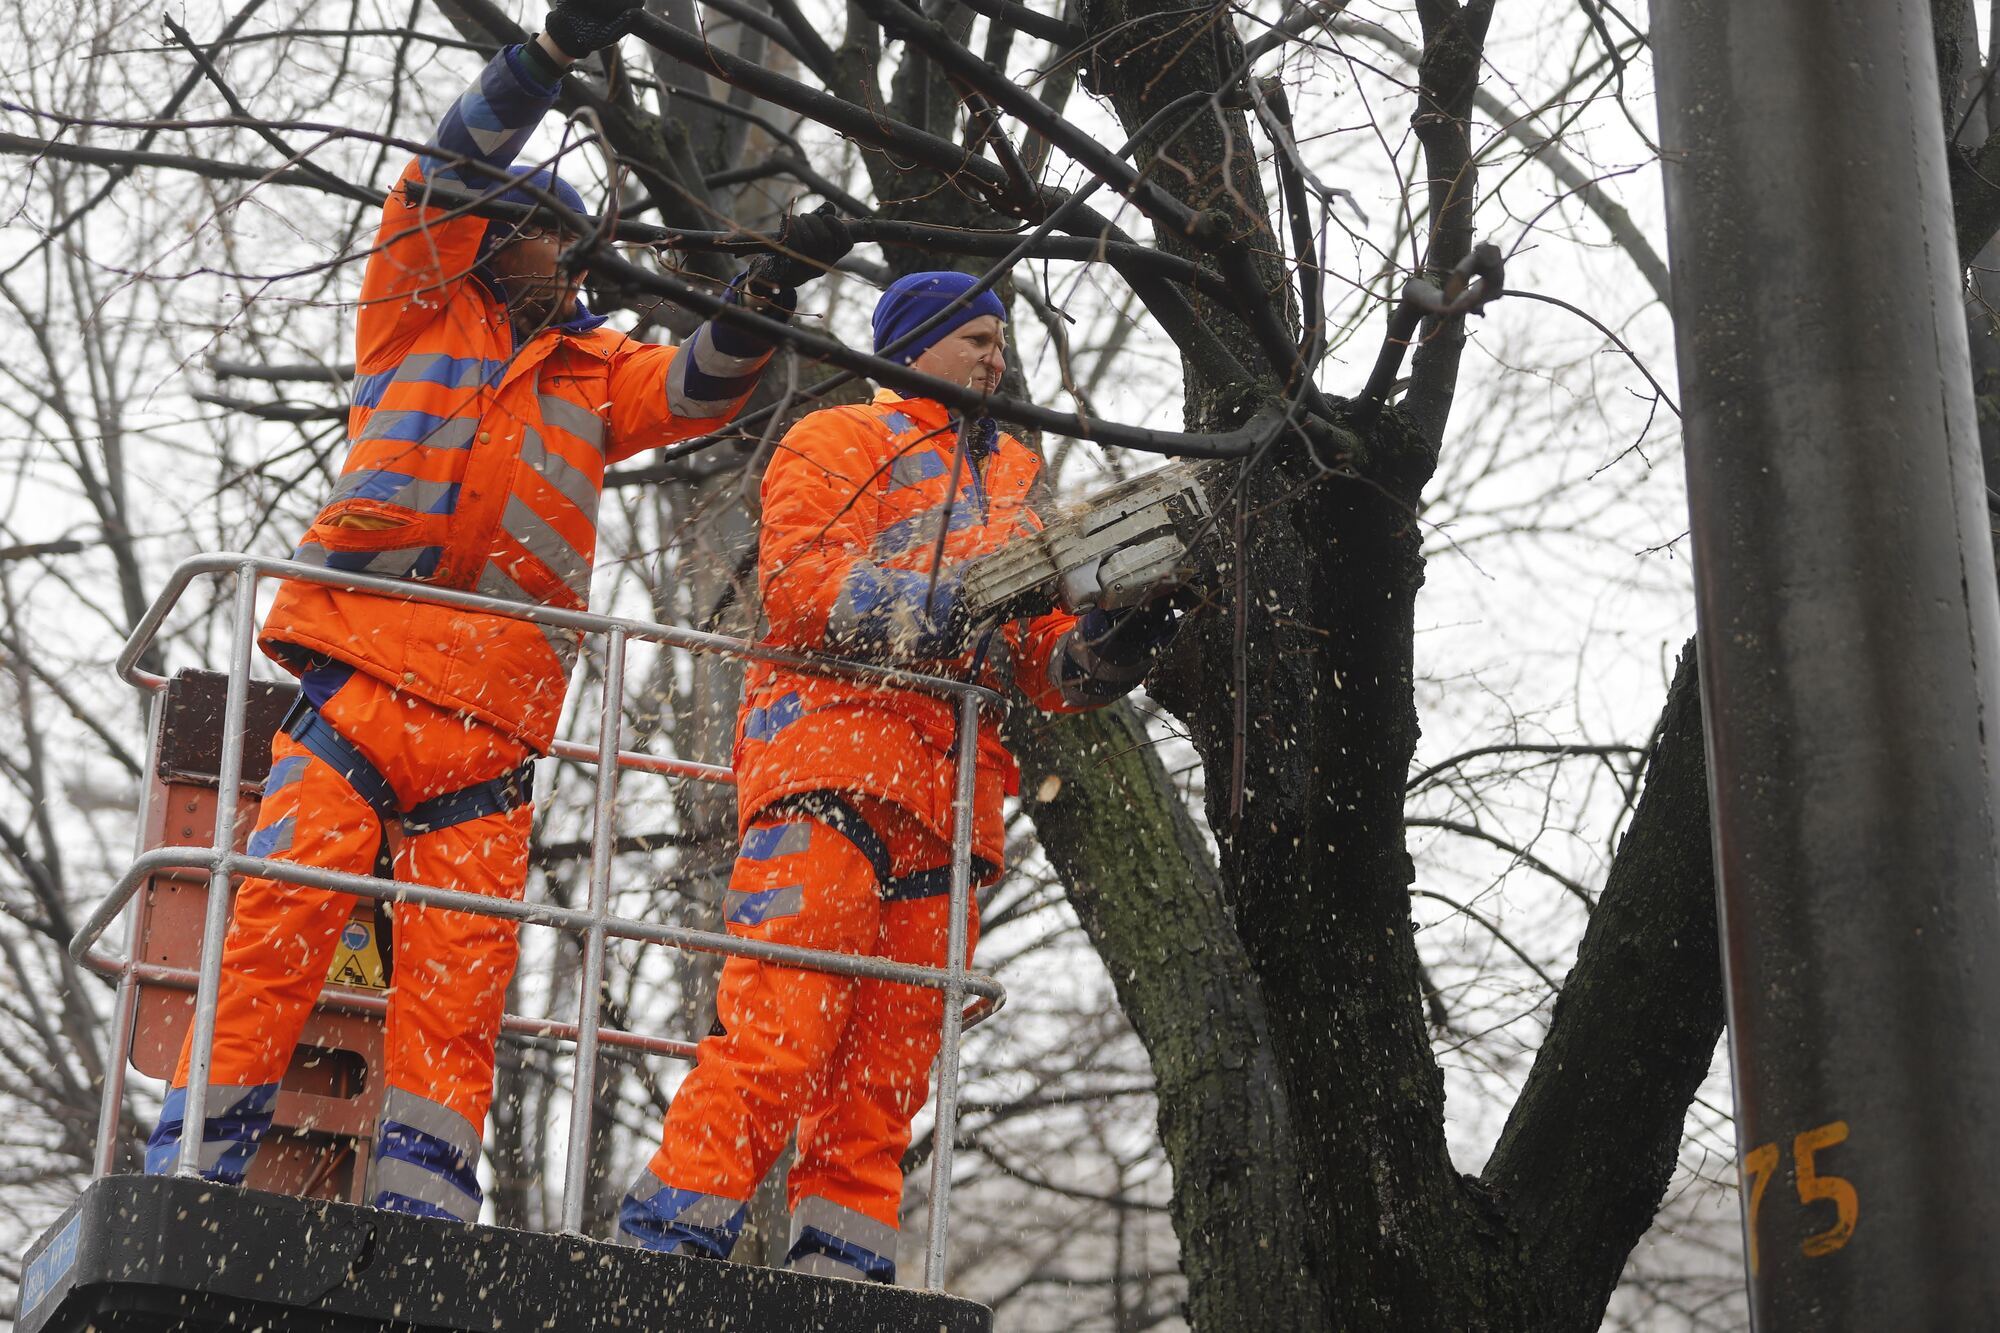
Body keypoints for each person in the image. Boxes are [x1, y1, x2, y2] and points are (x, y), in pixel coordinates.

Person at [145, 0, 852, 1224]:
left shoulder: (595, 373)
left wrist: (769, 288)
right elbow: (448, 164)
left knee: (461, 978)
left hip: (492, 706)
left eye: (565, 241)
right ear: (487, 243)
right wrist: (550, 58)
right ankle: (191, 1167)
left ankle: (425, 1213)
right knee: (278, 920)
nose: (560, 259)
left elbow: (698, 387)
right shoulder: (414, 304)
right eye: (536, 235)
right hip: (368, 665)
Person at [616, 271, 1184, 1281]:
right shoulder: (836, 440)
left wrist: (1111, 642)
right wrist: (945, 605)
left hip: (952, 803)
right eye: (974, 338)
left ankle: (841, 1274)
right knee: (778, 1032)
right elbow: (795, 592)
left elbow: (1038, 668)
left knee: (883, 1077)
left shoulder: (1015, 478)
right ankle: (662, 1249)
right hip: (829, 760)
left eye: (1000, 341)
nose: (995, 358)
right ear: (912, 344)